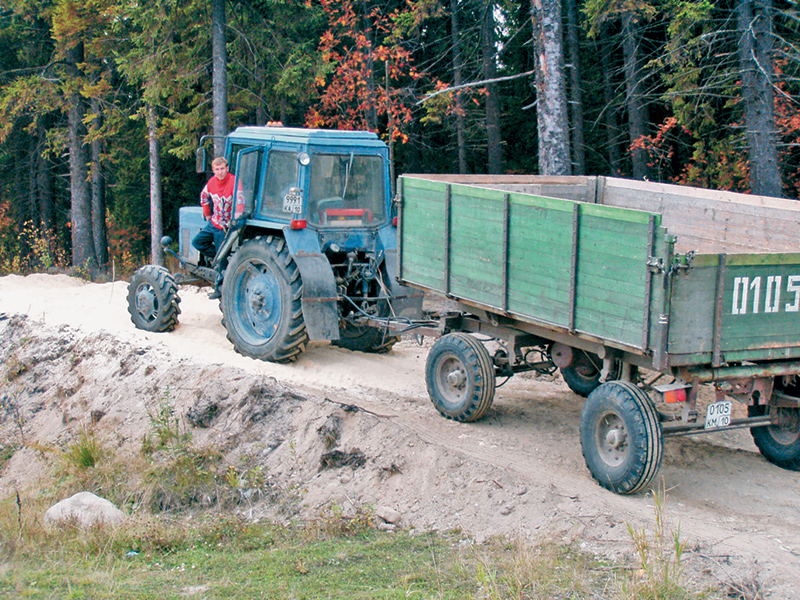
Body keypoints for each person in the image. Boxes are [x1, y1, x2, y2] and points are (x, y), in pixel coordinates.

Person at [192, 156, 234, 299]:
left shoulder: (234, 182)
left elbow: (240, 201)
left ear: (227, 168)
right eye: (217, 169)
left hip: (226, 226)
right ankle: (218, 257)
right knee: (197, 242)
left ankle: (219, 289)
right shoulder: (211, 183)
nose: (220, 172)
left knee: (222, 260)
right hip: (214, 223)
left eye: (222, 168)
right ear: (213, 171)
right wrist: (207, 213)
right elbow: (204, 196)